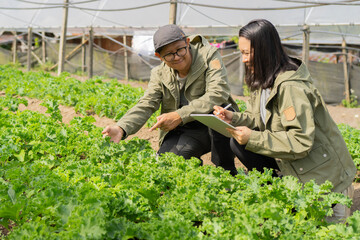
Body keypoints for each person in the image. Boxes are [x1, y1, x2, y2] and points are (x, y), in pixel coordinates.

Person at [214, 19, 356, 220]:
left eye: (247, 53)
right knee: (238, 144)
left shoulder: (290, 87)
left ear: (263, 51)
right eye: (242, 52)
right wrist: (233, 117)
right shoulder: (264, 81)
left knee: (329, 229)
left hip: (324, 176)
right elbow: (259, 117)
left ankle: (329, 202)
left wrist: (252, 138)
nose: (243, 59)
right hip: (297, 165)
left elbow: (300, 142)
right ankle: (284, 190)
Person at [102, 24, 239, 175]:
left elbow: (217, 93)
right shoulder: (159, 73)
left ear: (187, 42)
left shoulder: (208, 56)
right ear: (159, 56)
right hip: (186, 130)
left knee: (223, 113)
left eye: (180, 49)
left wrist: (180, 115)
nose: (177, 57)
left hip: (212, 124)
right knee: (166, 165)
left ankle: (226, 170)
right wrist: (121, 128)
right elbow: (147, 103)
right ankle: (195, 173)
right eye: (169, 54)